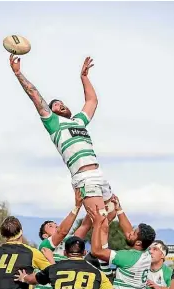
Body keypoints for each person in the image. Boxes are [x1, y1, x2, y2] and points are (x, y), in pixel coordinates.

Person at [9, 53, 116, 276]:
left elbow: (92, 101)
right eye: (55, 104)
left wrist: (84, 77)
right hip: (84, 176)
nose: (61, 104)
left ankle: (97, 257)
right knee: (100, 220)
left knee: (112, 212)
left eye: (62, 102)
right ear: (52, 111)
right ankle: (102, 266)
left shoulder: (78, 120)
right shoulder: (53, 123)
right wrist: (19, 73)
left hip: (99, 172)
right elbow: (35, 96)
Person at [88, 204, 156, 289]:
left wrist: (96, 226)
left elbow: (96, 251)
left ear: (138, 242)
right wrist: (119, 209)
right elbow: (128, 231)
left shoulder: (127, 257)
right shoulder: (146, 254)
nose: (129, 232)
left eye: (134, 232)